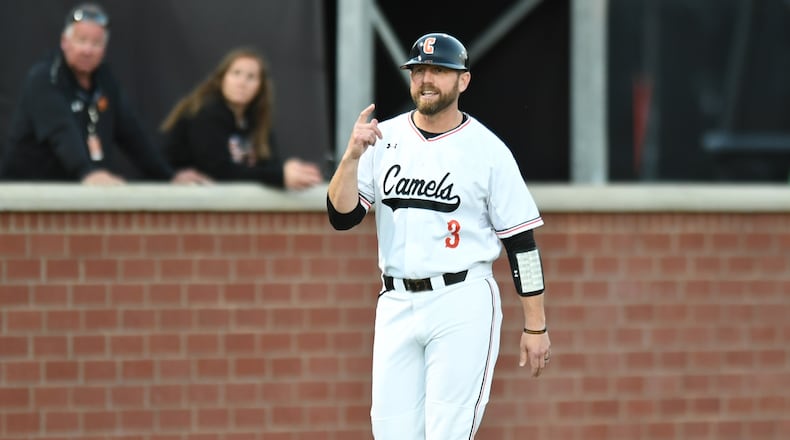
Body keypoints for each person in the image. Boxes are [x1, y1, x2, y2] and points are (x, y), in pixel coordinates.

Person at [326, 32, 551, 439]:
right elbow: (342, 217)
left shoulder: (488, 150)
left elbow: (522, 246)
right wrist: (351, 157)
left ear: (463, 80)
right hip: (394, 300)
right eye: (418, 71)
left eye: (438, 71)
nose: (426, 79)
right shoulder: (383, 138)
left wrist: (535, 326)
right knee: (391, 433)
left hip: (461, 300)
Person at [0, 2, 210, 185]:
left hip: (79, 194)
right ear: (65, 42)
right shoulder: (44, 78)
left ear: (104, 49)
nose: (87, 50)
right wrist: (87, 171)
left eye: (96, 43)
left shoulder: (105, 81)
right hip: (29, 196)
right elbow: (61, 131)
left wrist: (169, 176)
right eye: (81, 40)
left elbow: (133, 135)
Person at [159, 47, 324, 190]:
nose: (242, 82)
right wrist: (280, 175)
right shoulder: (206, 112)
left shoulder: (256, 119)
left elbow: (267, 163)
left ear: (261, 86)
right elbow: (219, 171)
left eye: (251, 77)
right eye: (236, 73)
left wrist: (291, 172)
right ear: (222, 78)